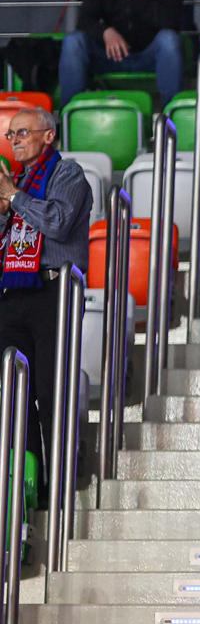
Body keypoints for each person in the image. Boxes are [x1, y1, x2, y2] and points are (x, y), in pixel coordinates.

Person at [0, 108, 92, 479]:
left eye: (22, 132)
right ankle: (29, 481)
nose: (14, 141)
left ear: (48, 136)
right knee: (13, 392)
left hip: (55, 291)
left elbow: (58, 222)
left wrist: (14, 197)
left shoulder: (67, 173)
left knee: (51, 391)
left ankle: (60, 482)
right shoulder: (16, 182)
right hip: (14, 292)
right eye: (10, 135)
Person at [59, 0, 184, 107]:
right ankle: (69, 114)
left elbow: (170, 21)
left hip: (149, 57)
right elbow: (84, 20)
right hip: (110, 57)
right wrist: (105, 32)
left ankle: (171, 116)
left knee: (168, 40)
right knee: (73, 41)